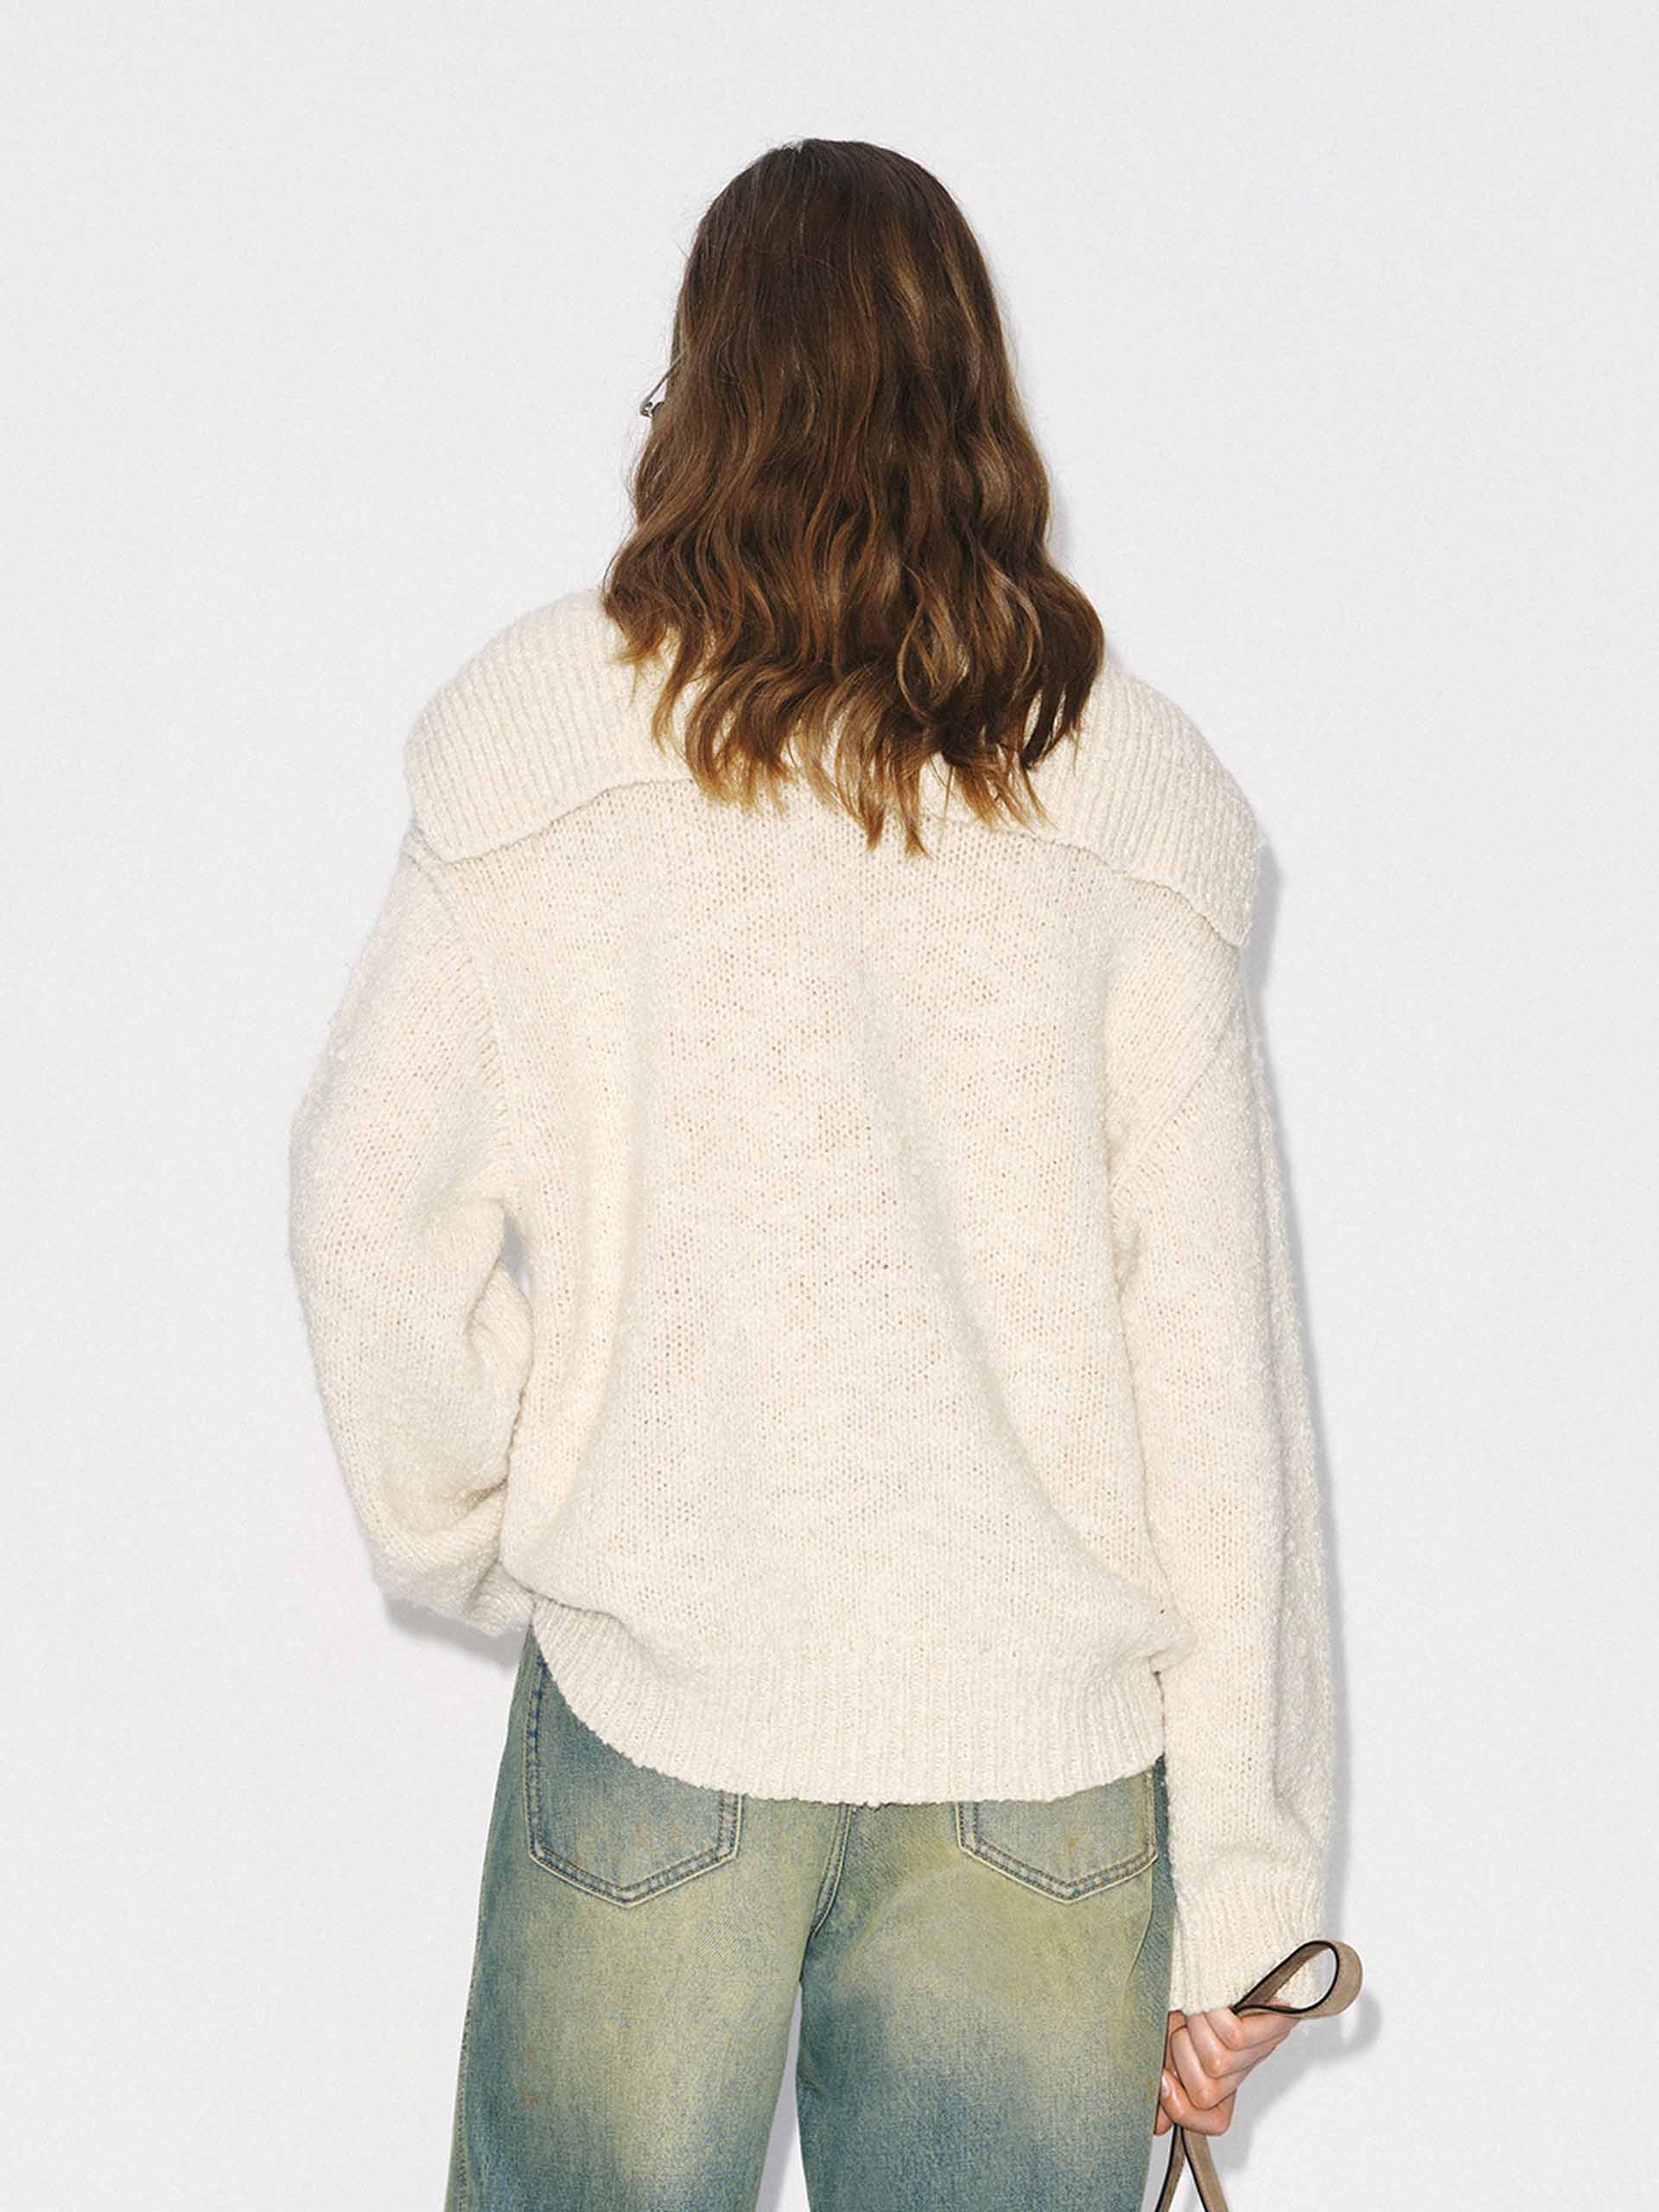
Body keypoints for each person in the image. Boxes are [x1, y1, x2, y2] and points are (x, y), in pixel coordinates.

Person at [288, 137, 1338, 2212]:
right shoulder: (1130, 796)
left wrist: (496, 1534)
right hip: (1042, 1775)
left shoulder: (543, 744)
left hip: (655, 1702)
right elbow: (1217, 1389)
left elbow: (362, 1210)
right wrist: (1243, 1889)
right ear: (975, 399)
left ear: (702, 386)